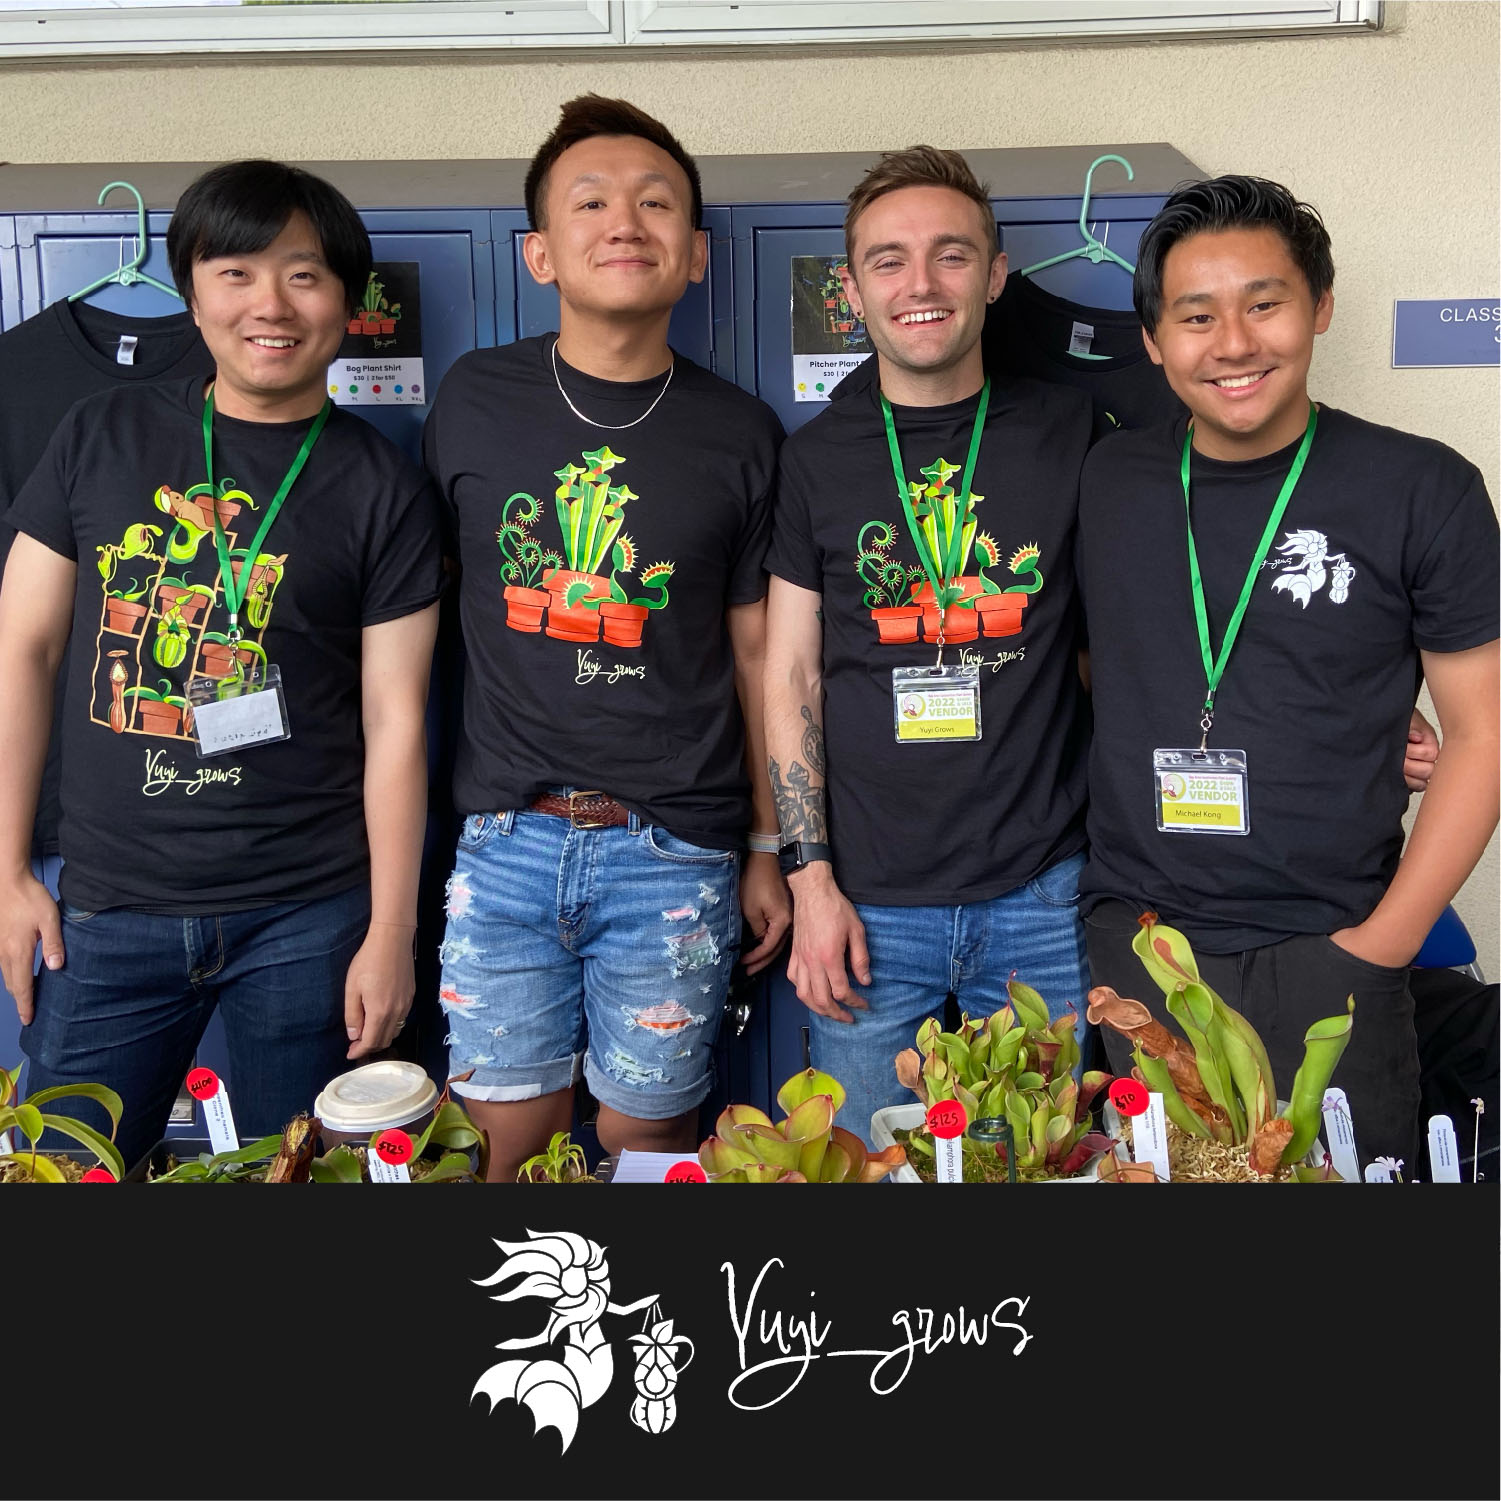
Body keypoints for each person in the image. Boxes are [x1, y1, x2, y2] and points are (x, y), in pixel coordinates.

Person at [0, 159, 444, 1169]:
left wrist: (389, 929)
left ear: (346, 301)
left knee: (305, 1182)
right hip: (106, 911)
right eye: (236, 272)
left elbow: (397, 720)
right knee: (59, 1173)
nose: (270, 305)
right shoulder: (99, 435)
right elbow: (22, 648)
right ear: (192, 291)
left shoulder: (382, 487)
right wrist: (7, 866)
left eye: (304, 275)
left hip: (308, 916)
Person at [1077, 175, 1499, 1166]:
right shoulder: (1106, 481)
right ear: (1152, 339)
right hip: (1142, 942)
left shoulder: (1420, 487)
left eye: (1263, 303)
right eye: (1195, 315)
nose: (1233, 342)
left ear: (1318, 306)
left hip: (1334, 946)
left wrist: (1379, 947)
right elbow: (1086, 665)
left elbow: (1482, 732)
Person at [423, 95, 790, 1181]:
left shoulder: (739, 434)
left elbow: (759, 659)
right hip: (505, 845)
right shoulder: (473, 399)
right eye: (590, 201)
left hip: (674, 851)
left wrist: (770, 848)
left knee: (649, 1144)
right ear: (538, 253)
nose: (624, 220)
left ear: (696, 253)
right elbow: (425, 615)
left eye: (655, 201)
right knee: (500, 1143)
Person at [764, 146, 1095, 1146]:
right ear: (852, 288)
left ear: (994, 276)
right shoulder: (815, 458)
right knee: (873, 1169)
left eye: (950, 255)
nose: (920, 284)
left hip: (1042, 893)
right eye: (888, 260)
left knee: (1041, 1169)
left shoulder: (1069, 432)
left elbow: (1157, 619)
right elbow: (790, 675)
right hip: (868, 905)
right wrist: (809, 884)